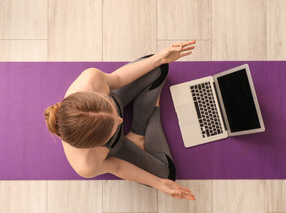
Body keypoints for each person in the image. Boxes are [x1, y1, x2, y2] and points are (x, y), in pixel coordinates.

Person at [45, 40, 197, 200]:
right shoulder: (86, 164)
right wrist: (159, 183)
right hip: (119, 146)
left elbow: (116, 78)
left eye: (111, 107)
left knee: (160, 67)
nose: (120, 120)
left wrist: (160, 57)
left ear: (99, 96)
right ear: (97, 142)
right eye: (113, 128)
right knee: (168, 175)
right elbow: (116, 166)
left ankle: (137, 134)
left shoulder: (91, 80)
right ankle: (149, 112)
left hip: (118, 97)